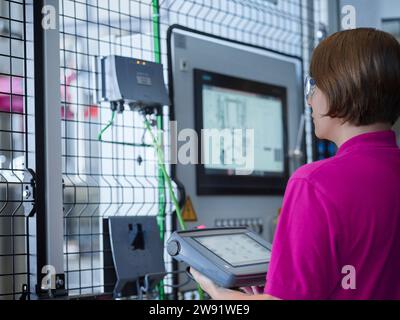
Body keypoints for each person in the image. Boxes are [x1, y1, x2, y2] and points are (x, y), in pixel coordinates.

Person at [191, 28, 400, 300]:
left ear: (340, 88)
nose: (310, 99)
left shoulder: (314, 183)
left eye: (314, 85)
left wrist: (217, 291)